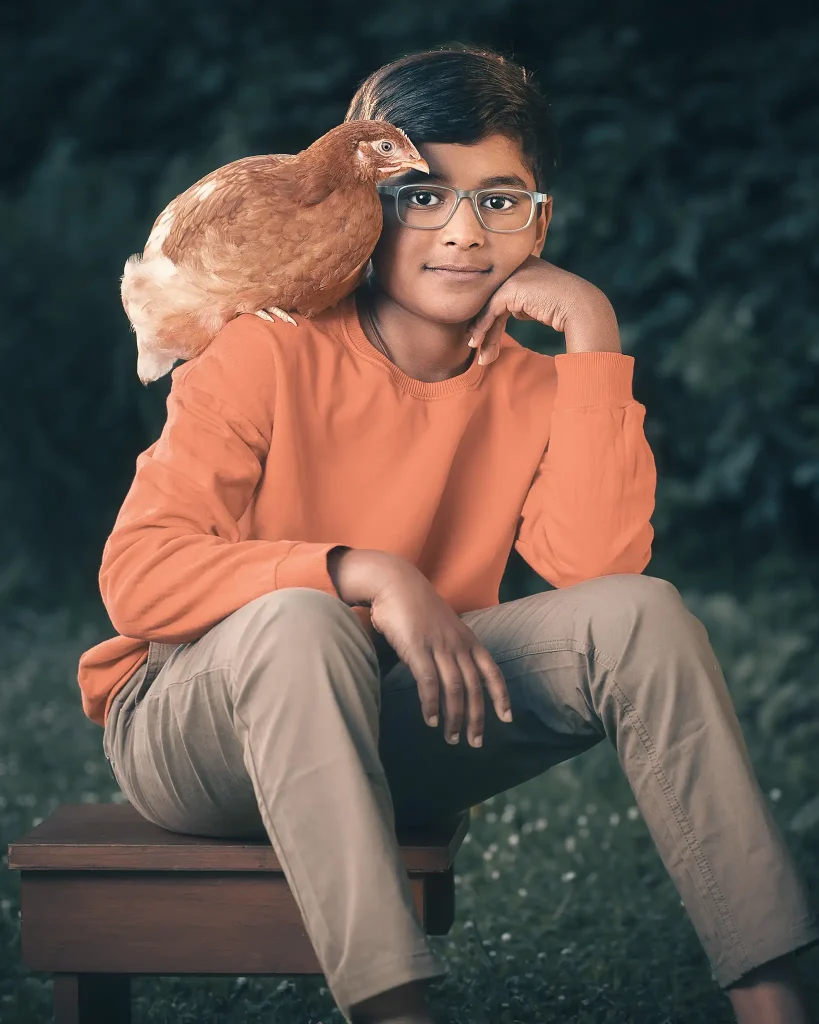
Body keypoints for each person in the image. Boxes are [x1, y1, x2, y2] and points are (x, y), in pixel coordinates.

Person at [79, 43, 819, 1024]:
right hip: (194, 729)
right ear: (365, 205)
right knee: (301, 618)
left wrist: (592, 337)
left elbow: (598, 572)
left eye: (499, 200)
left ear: (540, 220)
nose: (463, 233)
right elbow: (138, 576)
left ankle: (776, 1003)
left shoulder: (537, 386)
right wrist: (362, 571)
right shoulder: (268, 348)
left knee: (645, 614)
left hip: (395, 719)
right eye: (423, 196)